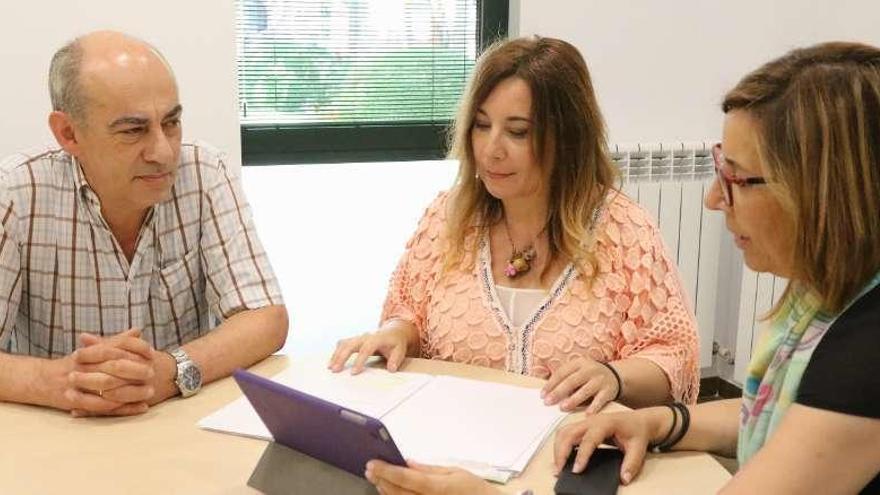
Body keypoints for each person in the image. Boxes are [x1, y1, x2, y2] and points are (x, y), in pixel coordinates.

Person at [364, 39, 880, 495]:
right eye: (481, 126)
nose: (711, 199)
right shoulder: (827, 304)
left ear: (822, 193)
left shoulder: (865, 352)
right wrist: (659, 424)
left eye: (737, 178)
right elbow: (772, 415)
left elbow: (684, 357)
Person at [329, 35, 699, 415]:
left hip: (572, 452)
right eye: (481, 125)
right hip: (453, 440)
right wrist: (394, 334)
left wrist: (614, 376)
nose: (492, 149)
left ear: (568, 137)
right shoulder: (449, 216)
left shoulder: (624, 230)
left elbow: (673, 355)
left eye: (518, 131)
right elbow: (409, 313)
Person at [0, 31, 288, 417]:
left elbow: (265, 318)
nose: (163, 152)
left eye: (171, 123)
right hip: (57, 434)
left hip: (176, 427)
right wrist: (59, 381)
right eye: (133, 130)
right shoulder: (16, 192)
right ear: (68, 133)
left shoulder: (205, 173)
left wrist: (171, 371)